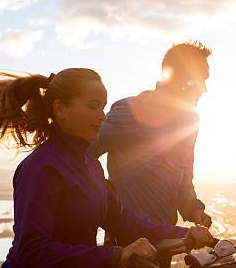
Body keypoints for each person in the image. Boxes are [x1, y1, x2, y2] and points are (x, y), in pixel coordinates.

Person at [0, 68, 213, 267]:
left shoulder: (91, 167)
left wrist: (184, 233)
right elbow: (32, 251)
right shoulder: (40, 169)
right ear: (60, 109)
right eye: (93, 107)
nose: (102, 117)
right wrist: (115, 256)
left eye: (102, 107)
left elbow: (123, 221)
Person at [87, 41, 213, 237]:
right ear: (182, 80)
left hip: (164, 242)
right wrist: (104, 195)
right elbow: (80, 152)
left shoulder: (190, 121)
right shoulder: (132, 111)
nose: (204, 89)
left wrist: (194, 209)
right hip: (127, 245)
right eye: (200, 80)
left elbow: (184, 179)